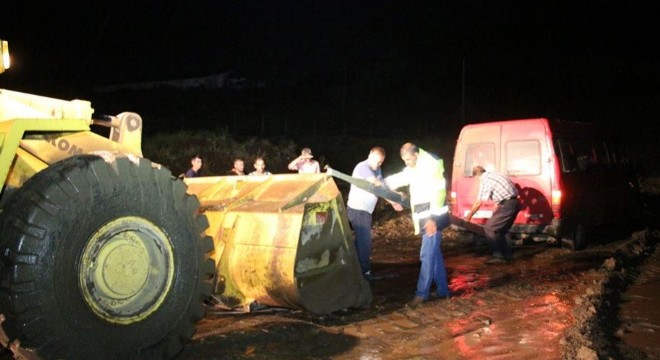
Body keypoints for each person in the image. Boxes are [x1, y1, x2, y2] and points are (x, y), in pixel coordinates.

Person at [385, 143, 449, 308]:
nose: (406, 162)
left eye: (407, 159)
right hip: (425, 217)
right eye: (403, 160)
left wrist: (432, 219)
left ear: (415, 154)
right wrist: (384, 183)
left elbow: (439, 192)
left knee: (426, 255)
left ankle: (422, 294)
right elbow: (403, 176)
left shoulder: (430, 165)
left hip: (432, 218)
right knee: (434, 254)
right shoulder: (416, 166)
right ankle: (443, 290)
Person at [347, 146, 398, 281]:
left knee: (359, 242)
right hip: (358, 210)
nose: (377, 165)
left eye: (380, 162)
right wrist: (393, 199)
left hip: (365, 211)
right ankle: (365, 273)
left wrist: (393, 199)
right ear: (369, 155)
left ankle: (353, 270)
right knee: (365, 242)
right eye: (375, 161)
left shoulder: (377, 169)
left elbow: (380, 187)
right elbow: (376, 185)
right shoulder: (362, 167)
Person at [464, 165, 520, 264]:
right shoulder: (496, 174)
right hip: (515, 203)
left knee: (489, 228)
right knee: (501, 230)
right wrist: (498, 203)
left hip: (508, 205)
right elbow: (505, 191)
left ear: (477, 176)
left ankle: (497, 256)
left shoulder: (485, 180)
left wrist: (468, 217)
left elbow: (479, 202)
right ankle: (507, 255)